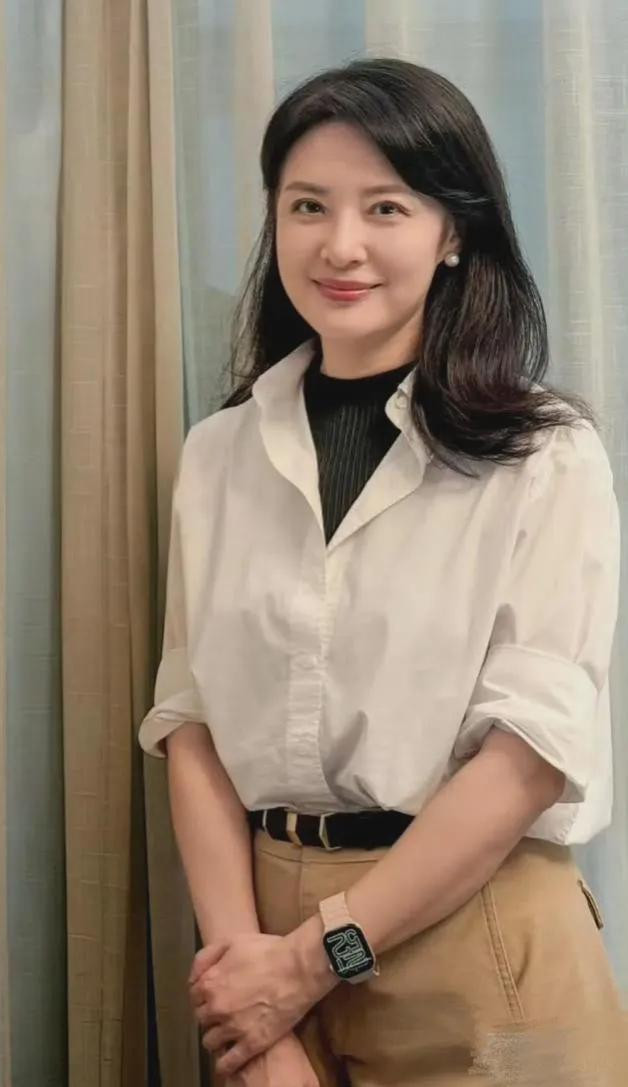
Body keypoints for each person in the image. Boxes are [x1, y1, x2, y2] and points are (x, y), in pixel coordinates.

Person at [139, 57, 627, 1086]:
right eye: (308, 205)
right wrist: (253, 1001)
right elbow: (191, 723)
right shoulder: (219, 455)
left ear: (455, 233)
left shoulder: (547, 457)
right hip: (258, 942)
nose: (342, 245)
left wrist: (308, 965)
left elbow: (531, 754)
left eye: (387, 207)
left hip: (479, 939)